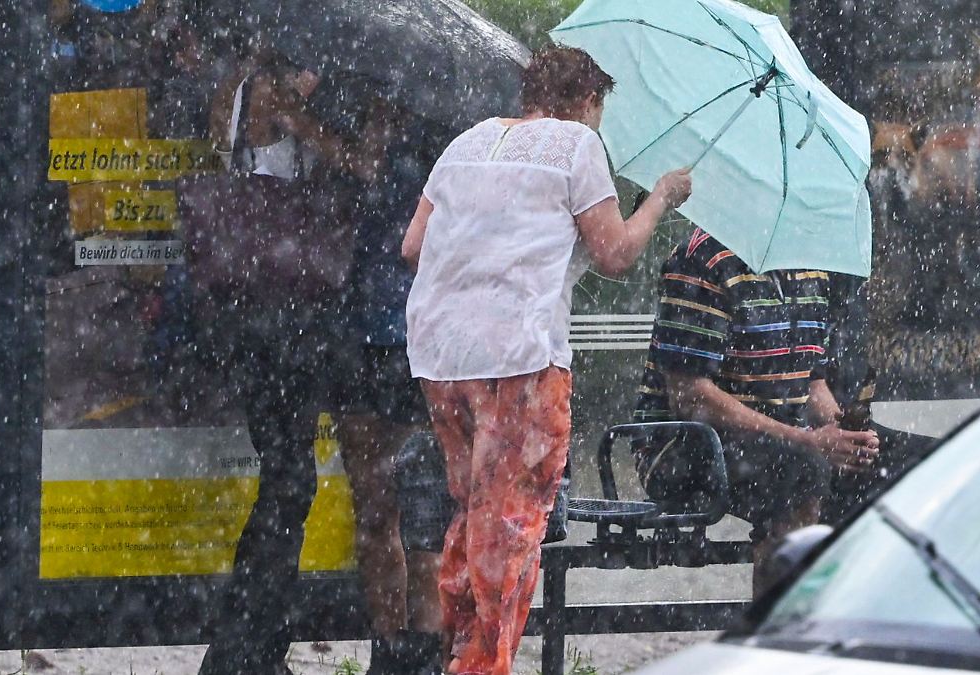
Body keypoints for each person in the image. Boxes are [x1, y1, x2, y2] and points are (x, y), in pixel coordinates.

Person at [402, 46, 692, 675]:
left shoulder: (468, 142)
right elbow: (615, 254)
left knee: (473, 510)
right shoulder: (576, 146)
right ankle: (483, 666)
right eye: (599, 110)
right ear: (587, 102)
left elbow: (414, 245)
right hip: (521, 360)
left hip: (441, 355)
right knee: (511, 525)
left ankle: (456, 651)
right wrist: (661, 198)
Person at [196, 48, 387, 675]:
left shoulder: (234, 87)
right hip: (284, 318)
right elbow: (363, 165)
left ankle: (246, 644)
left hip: (243, 308)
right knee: (289, 482)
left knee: (282, 476)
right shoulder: (275, 97)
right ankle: (247, 646)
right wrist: (369, 128)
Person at [631, 227, 880, 595]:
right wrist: (809, 441)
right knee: (801, 468)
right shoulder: (702, 259)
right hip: (682, 445)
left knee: (886, 466)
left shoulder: (810, 267)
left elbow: (811, 380)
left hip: (777, 440)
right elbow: (691, 396)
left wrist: (842, 432)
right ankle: (776, 628)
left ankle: (839, 614)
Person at [322, 91, 446, 675]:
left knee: (423, 512)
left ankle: (421, 648)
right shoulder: (342, 105)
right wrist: (368, 128)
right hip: (356, 328)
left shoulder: (450, 130)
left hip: (417, 336)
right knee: (373, 505)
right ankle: (388, 647)